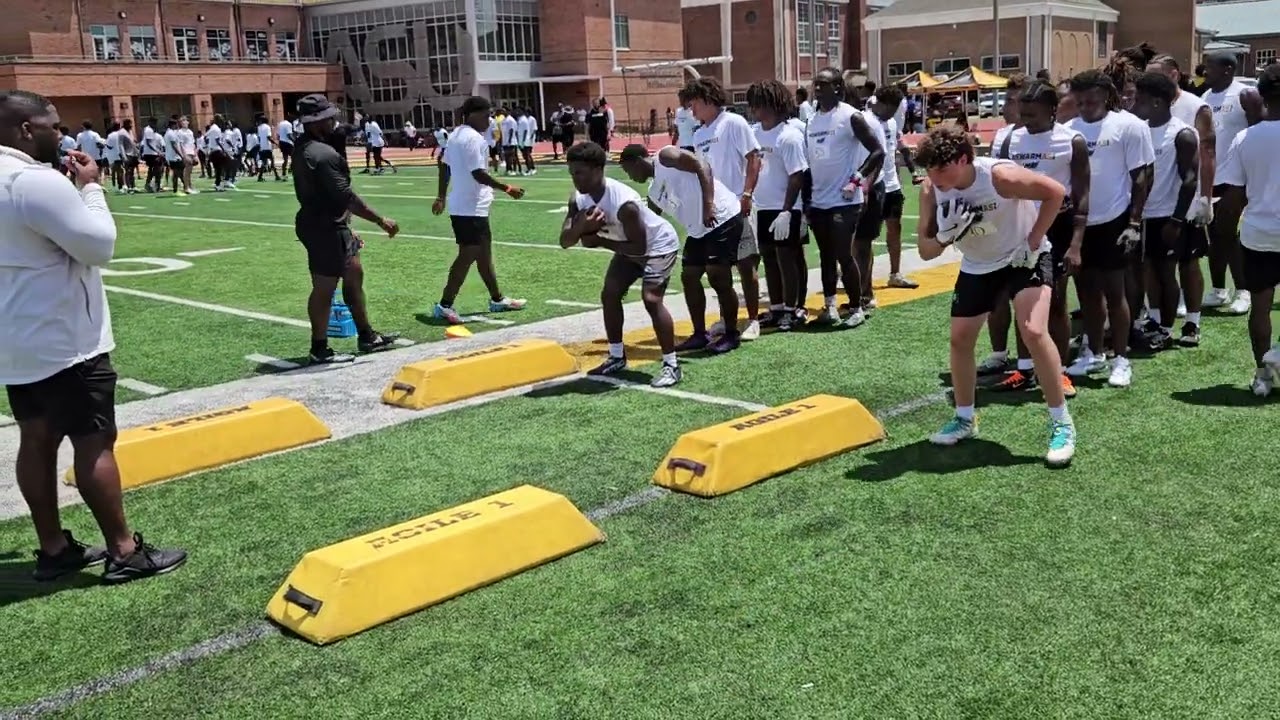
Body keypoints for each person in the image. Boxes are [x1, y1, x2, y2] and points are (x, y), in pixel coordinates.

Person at [0, 90, 188, 583]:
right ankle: (123, 550)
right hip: (66, 336)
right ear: (25, 129)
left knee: (36, 440)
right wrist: (90, 188)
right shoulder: (33, 180)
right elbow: (99, 246)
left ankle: (54, 547)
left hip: (16, 333)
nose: (59, 134)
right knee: (95, 439)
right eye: (52, 125)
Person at [914, 125, 1075, 466]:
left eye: (942, 168)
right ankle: (964, 417)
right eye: (929, 169)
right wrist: (945, 236)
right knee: (960, 339)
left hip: (1023, 256)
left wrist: (1033, 242)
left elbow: (1056, 193)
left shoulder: (999, 176)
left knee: (1032, 329)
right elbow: (926, 251)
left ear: (963, 159)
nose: (935, 176)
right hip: (978, 263)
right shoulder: (931, 189)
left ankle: (1061, 422)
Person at [986, 81, 1089, 398]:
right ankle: (1025, 369)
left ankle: (1058, 372)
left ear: (1052, 110)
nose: (1026, 120)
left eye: (1032, 114)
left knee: (1055, 301)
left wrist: (1076, 242)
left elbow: (1083, 192)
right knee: (1022, 300)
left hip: (1057, 228)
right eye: (1022, 113)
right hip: (1019, 229)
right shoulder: (1009, 140)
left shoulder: (1072, 141)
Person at [561, 141, 682, 387]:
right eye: (572, 173)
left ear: (598, 170)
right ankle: (616, 356)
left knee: (651, 299)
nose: (575, 179)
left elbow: (640, 248)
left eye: (580, 173)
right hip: (625, 244)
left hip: (658, 246)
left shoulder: (624, 203)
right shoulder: (578, 199)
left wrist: (599, 240)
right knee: (610, 294)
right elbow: (565, 240)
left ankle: (672, 364)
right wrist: (583, 227)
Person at [291, 94, 400, 364]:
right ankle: (319, 348)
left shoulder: (305, 147)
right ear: (317, 122)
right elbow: (346, 196)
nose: (335, 121)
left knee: (354, 274)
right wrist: (380, 220)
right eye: (329, 117)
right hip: (325, 227)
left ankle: (366, 335)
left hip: (328, 223)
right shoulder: (322, 154)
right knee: (325, 287)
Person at [1065, 69, 1154, 388]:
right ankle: (1093, 352)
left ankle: (1121, 359)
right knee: (1087, 291)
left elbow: (1142, 177)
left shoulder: (1129, 126)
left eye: (1091, 98)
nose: (1086, 104)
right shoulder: (1068, 130)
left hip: (1115, 220)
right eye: (1080, 99)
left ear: (1106, 95)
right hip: (1080, 223)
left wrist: (1134, 222)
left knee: (1116, 293)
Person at [618, 143, 744, 355]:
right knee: (689, 276)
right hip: (699, 231)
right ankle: (699, 334)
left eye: (628, 170)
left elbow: (701, 164)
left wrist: (709, 204)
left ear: (637, 161)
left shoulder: (665, 156)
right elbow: (649, 223)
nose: (630, 177)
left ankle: (731, 334)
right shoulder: (654, 192)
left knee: (717, 276)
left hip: (722, 217)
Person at [431, 96, 529, 324]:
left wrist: (441, 196)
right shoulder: (473, 139)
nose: (490, 120)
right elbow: (478, 173)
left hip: (466, 205)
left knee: (483, 255)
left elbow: (443, 166)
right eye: (487, 115)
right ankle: (444, 304)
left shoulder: (455, 135)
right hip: (470, 207)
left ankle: (497, 299)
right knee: (468, 254)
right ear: (473, 114)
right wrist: (507, 187)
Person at [802, 66, 886, 328]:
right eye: (816, 84)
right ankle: (830, 308)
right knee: (825, 255)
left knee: (843, 254)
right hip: (818, 201)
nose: (817, 89)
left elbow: (878, 152)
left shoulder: (851, 116)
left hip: (845, 200)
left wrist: (857, 179)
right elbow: (810, 163)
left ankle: (857, 306)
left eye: (823, 85)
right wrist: (806, 201)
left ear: (837, 88)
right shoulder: (811, 121)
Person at [1214, 64, 1280, 396]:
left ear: (1262, 96)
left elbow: (1233, 197)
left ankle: (1261, 376)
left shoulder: (1244, 138)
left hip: (1258, 235)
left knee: (1261, 306)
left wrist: (1223, 233)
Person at [1130, 71, 1203, 354]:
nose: (1136, 104)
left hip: (1168, 216)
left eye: (1141, 100)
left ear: (1158, 102)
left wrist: (1176, 219)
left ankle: (1168, 329)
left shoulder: (1182, 133)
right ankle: (1157, 320)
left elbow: (1190, 179)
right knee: (1148, 270)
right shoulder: (1139, 129)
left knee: (1166, 272)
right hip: (1143, 214)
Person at [687, 76, 764, 342]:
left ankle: (753, 320)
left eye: (694, 103)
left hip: (737, 206)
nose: (691, 110)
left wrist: (746, 193)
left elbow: (753, 157)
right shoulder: (698, 134)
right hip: (715, 211)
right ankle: (725, 317)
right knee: (718, 269)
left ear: (708, 99)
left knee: (745, 265)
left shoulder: (733, 122)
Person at [1149, 53, 1214, 325]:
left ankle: (1193, 320)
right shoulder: (1146, 108)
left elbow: (1207, 152)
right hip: (1155, 202)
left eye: (1156, 75)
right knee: (1154, 265)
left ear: (1174, 74)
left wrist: (1206, 197)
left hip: (1185, 200)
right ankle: (1156, 318)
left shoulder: (1196, 106)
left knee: (1189, 263)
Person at [1202, 51, 1265, 315]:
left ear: (1227, 69)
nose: (1204, 72)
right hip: (1211, 177)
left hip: (1236, 177)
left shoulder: (1244, 95)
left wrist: (1253, 176)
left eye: (1210, 67)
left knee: (1228, 235)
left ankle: (1244, 291)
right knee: (1215, 237)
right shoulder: (1204, 98)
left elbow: (1258, 133)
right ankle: (1218, 290)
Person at [747, 79, 808, 331]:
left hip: (786, 208)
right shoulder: (753, 133)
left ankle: (793, 310)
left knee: (787, 258)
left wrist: (786, 211)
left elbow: (797, 175)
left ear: (770, 104)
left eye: (756, 103)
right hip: (761, 207)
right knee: (769, 258)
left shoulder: (789, 136)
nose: (752, 108)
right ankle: (776, 307)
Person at [868, 84, 920, 292]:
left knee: (894, 228)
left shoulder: (890, 123)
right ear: (881, 103)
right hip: (874, 185)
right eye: (891, 106)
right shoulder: (867, 122)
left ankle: (895, 274)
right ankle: (863, 279)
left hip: (892, 184)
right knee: (867, 235)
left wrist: (913, 170)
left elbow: (901, 146)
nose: (894, 112)